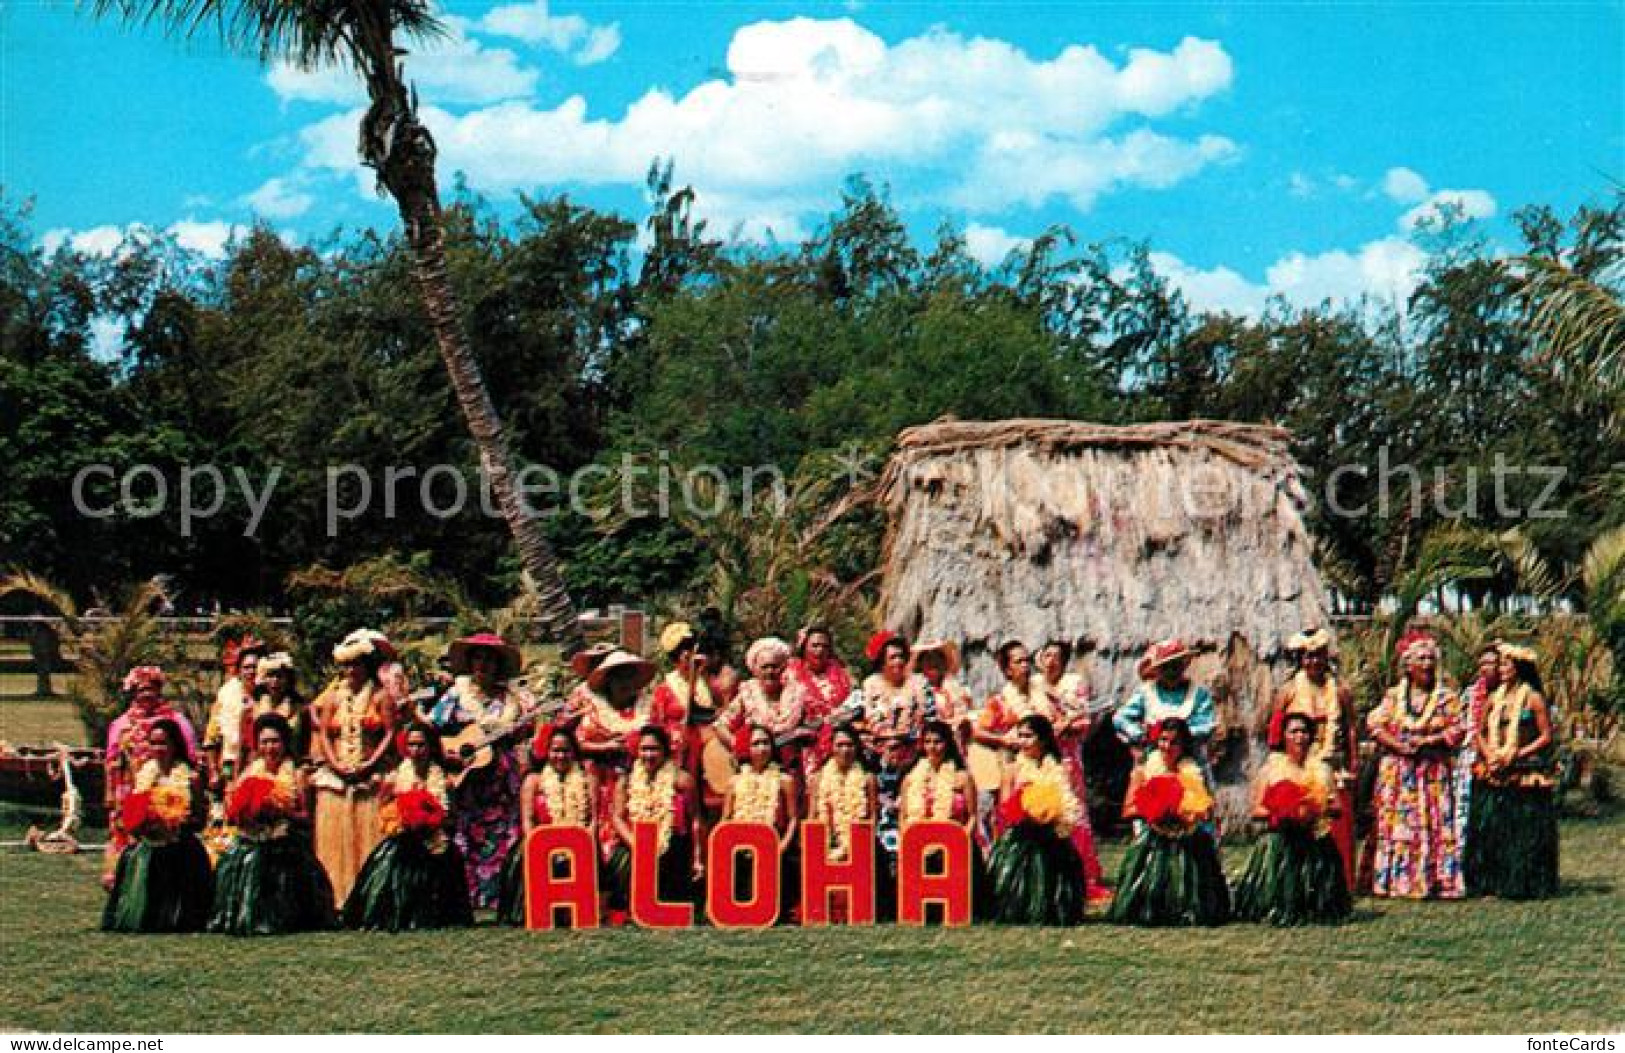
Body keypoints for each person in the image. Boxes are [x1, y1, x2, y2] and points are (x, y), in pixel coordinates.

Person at [427, 632, 532, 910]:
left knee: (505, 837)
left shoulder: (513, 700)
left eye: (489, 659)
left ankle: (500, 897)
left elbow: (527, 732)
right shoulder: (455, 696)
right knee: (465, 838)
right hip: (468, 783)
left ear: (498, 665)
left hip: (502, 783)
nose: (482, 665)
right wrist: (448, 753)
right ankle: (467, 897)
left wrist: (518, 730)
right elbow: (430, 729)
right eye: (477, 658)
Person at [208, 713, 336, 935]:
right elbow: (234, 814)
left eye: (275, 741)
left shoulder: (297, 774)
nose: (270, 747)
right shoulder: (249, 773)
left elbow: (306, 817)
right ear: (257, 745)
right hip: (252, 839)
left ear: (285, 743)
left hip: (284, 844)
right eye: (264, 742)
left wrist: (282, 811)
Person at [1366, 630, 1467, 900]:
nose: (1426, 664)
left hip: (1431, 772)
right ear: (1408, 665)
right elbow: (1375, 725)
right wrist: (1398, 746)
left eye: (1430, 658)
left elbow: (1458, 730)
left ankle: (1436, 880)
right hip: (1399, 773)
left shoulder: (1446, 698)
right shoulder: (1393, 696)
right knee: (1399, 825)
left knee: (1433, 822)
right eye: (1420, 659)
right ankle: (1396, 881)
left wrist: (1428, 741)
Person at [344, 722, 473, 931]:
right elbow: (384, 811)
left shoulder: (444, 780)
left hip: (435, 842)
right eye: (411, 745)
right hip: (403, 842)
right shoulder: (395, 778)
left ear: (430, 746)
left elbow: (452, 818)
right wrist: (401, 820)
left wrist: (431, 820)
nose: (416, 751)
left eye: (421, 745)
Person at [1108, 717, 1230, 927]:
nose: (1167, 747)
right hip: (1154, 840)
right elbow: (1128, 810)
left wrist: (1188, 811)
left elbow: (1208, 810)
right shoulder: (1143, 771)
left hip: (1190, 839)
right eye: (1163, 740)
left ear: (1184, 746)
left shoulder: (1194, 772)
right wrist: (1155, 810)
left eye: (1174, 742)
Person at [1233, 713, 1353, 926]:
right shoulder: (1271, 770)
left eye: (1304, 731)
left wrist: (1316, 808)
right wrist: (1283, 811)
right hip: (1281, 841)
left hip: (1314, 839)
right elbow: (1256, 811)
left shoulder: (1323, 771)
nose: (1299, 736)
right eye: (1293, 731)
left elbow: (1338, 808)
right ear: (1284, 736)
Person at [1465, 643, 1559, 900]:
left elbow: (1546, 736)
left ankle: (1523, 882)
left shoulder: (1532, 697)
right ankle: (1491, 882)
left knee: (1522, 830)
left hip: (1523, 771)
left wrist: (1517, 754)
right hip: (1494, 770)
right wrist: (1490, 755)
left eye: (1506, 665)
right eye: (1501, 664)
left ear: (1519, 668)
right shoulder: (1494, 698)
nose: (1502, 669)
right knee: (1493, 829)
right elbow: (1480, 733)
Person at [1264, 627, 1357, 885]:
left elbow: (1350, 727)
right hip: (1299, 762)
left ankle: (1341, 881)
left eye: (1319, 656)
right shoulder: (1289, 691)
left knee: (1337, 819)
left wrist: (1353, 763)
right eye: (1308, 656)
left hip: (1332, 761)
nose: (1314, 662)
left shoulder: (1340, 690)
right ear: (1300, 660)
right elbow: (1275, 729)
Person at [309, 632, 397, 906]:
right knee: (334, 838)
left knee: (368, 834)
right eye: (345, 666)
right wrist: (335, 764)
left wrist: (371, 763)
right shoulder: (333, 697)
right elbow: (323, 733)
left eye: (355, 665)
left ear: (366, 667)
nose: (350, 671)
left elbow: (390, 732)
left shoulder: (381, 696)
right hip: (337, 773)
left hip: (369, 772)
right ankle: (336, 895)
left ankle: (369, 895)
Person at [102, 718, 213, 933]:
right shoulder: (143, 774)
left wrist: (174, 820)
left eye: (163, 743)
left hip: (180, 847)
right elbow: (131, 813)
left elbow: (199, 820)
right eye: (153, 743)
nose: (158, 749)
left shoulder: (191, 778)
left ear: (175, 745)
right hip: (149, 845)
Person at [102, 666, 199, 887]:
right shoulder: (121, 724)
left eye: (151, 689)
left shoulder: (176, 721)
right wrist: (109, 794)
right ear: (133, 692)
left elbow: (191, 755)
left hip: (168, 787)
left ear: (159, 690)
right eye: (140, 690)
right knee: (127, 837)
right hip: (129, 789)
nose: (146, 694)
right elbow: (111, 761)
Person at [985, 714, 1086, 926]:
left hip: (1052, 833)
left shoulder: (1062, 768)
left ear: (1043, 739)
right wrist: (1024, 813)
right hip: (1021, 835)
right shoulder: (1012, 769)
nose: (1022, 741)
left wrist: (1052, 815)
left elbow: (1070, 800)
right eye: (1020, 736)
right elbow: (1005, 805)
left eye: (1028, 736)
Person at [498, 725, 600, 926]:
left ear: (574, 752)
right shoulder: (534, 781)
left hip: (579, 842)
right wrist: (539, 847)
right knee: (521, 856)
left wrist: (586, 845)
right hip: (541, 841)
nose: (560, 756)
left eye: (565, 751)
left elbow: (594, 819)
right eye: (555, 751)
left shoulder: (588, 779)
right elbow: (527, 820)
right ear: (547, 752)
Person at [1032, 639, 1109, 903]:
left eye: (1056, 656)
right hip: (1038, 757)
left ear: (1064, 661)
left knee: (1072, 810)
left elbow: (1086, 719)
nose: (1051, 661)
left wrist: (1067, 725)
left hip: (1067, 756)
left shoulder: (1074, 684)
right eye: (1046, 655)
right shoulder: (1033, 686)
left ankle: (1081, 873)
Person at [608, 725, 704, 919]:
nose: (649, 754)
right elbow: (617, 817)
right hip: (634, 844)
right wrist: (638, 844)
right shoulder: (625, 781)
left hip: (673, 847)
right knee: (620, 859)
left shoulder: (682, 780)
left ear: (665, 751)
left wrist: (697, 858)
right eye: (644, 749)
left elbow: (696, 819)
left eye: (654, 749)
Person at [575, 649, 659, 860]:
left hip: (637, 779)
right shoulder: (591, 709)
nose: (625, 684)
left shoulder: (648, 708)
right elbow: (576, 742)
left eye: (629, 677)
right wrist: (606, 746)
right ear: (608, 682)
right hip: (599, 781)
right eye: (619, 678)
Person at [721, 723, 801, 922]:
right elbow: (726, 818)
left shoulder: (785, 780)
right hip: (741, 848)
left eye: (766, 743)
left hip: (773, 847)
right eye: (756, 743)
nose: (762, 748)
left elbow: (793, 819)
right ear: (746, 749)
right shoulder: (735, 781)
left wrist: (781, 847)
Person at [810, 723, 883, 920]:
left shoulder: (868, 778)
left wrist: (860, 844)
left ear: (857, 748)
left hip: (858, 846)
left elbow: (873, 816)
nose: (845, 750)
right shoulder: (818, 779)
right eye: (840, 745)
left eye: (850, 745)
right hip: (828, 843)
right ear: (831, 747)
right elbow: (812, 817)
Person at [716, 638, 807, 793]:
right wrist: (740, 748)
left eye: (775, 666)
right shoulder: (747, 694)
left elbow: (813, 724)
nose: (770, 672)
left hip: (790, 768)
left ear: (783, 667)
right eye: (765, 667)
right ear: (755, 669)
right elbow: (720, 725)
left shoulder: (798, 692)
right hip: (755, 772)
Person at [1113, 639, 1216, 773]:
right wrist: (1141, 734)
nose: (1171, 672)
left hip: (1190, 762)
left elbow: (1206, 725)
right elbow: (1120, 718)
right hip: (1152, 760)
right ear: (1157, 670)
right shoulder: (1146, 692)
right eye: (1166, 667)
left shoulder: (1199, 694)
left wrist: (1181, 734)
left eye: (1176, 666)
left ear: (1184, 666)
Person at [649, 622, 711, 803]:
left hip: (706, 746)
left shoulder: (707, 682)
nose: (687, 654)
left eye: (690, 648)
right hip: (679, 750)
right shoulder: (664, 688)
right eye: (681, 651)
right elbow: (658, 724)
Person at [788, 624, 855, 781]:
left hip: (837, 744)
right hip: (805, 745)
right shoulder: (791, 673)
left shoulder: (842, 674)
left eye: (825, 646)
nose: (820, 650)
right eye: (815, 645)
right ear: (804, 647)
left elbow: (852, 705)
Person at [1455, 642, 1504, 857]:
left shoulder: (1513, 693)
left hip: (1502, 758)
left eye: (1491, 663)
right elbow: (1463, 726)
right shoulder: (1470, 694)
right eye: (1482, 663)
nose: (1486, 668)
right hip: (1472, 757)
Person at [204, 637, 265, 792]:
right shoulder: (225, 694)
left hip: (264, 764)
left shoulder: (270, 695)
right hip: (230, 764)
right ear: (239, 670)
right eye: (247, 667)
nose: (251, 671)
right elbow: (211, 738)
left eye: (255, 667)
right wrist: (213, 771)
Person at [247, 651, 310, 767]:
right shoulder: (252, 709)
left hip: (292, 768)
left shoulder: (301, 709)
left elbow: (307, 746)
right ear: (263, 678)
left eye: (280, 676)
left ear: (288, 679)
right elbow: (244, 749)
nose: (275, 681)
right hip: (259, 767)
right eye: (270, 675)